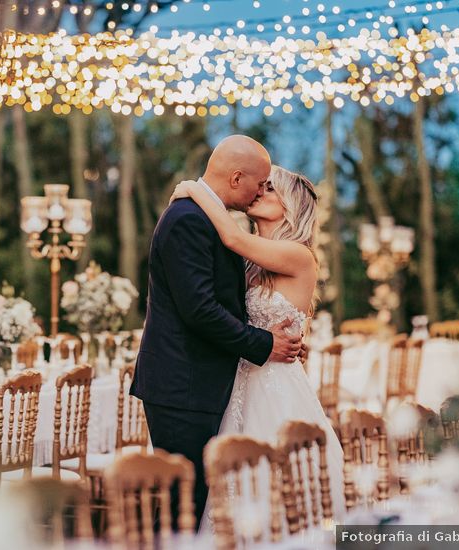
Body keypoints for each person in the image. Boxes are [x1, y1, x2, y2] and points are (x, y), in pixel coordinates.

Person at [131, 135, 303, 528]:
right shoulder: (188, 220)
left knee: (195, 499)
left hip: (200, 382)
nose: (262, 191)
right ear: (237, 177)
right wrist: (264, 342)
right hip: (182, 384)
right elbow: (200, 311)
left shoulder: (209, 218)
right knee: (182, 505)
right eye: (259, 183)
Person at [172, 166, 347, 528]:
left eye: (269, 189)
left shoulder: (299, 255)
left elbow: (233, 237)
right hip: (239, 379)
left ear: (290, 206)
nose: (258, 192)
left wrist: (193, 187)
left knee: (276, 484)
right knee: (232, 481)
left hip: (278, 386)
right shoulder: (250, 265)